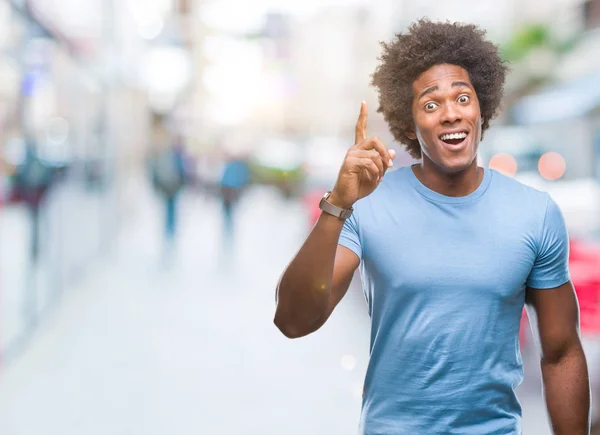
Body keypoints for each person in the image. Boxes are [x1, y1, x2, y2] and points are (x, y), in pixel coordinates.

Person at [274, 19, 590, 434]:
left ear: (482, 110)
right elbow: (294, 320)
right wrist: (338, 204)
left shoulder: (534, 212)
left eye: (463, 97)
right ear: (409, 125)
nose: (450, 114)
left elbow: (562, 351)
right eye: (430, 104)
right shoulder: (369, 205)